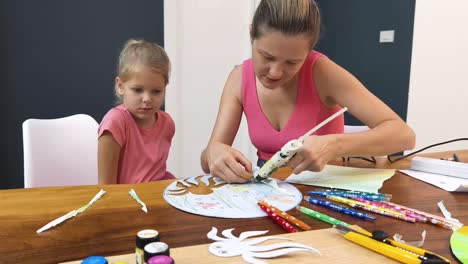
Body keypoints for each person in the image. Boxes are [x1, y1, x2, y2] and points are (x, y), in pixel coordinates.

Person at [200, 0, 415, 183]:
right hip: (268, 188)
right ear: (251, 37)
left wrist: (333, 145)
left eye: (292, 62)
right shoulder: (238, 79)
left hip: (324, 187)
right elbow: (206, 162)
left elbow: (403, 135)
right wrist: (214, 152)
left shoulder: (322, 73)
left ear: (309, 51)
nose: (275, 72)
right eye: (266, 56)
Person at [98, 39, 175, 184]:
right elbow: (106, 187)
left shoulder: (167, 123)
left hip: (156, 196)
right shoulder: (115, 123)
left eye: (156, 91)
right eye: (138, 90)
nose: (147, 99)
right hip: (125, 202)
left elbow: (156, 175)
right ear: (120, 86)